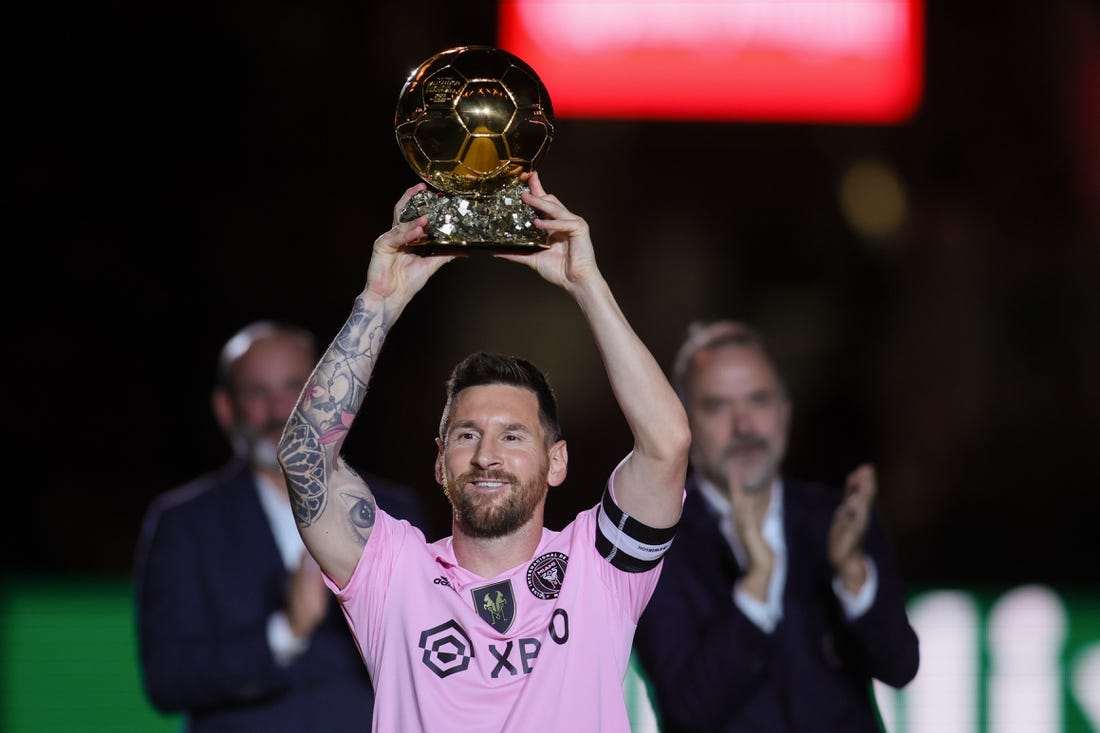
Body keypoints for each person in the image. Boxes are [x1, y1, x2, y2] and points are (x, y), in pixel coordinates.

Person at [275, 172, 692, 732]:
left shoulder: (599, 567)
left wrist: (587, 284)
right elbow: (304, 454)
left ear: (557, 461)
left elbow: (668, 445)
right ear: (440, 461)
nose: (486, 455)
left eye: (513, 436)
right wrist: (381, 300)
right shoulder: (394, 573)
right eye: (467, 435)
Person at [134, 320, 426, 732]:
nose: (279, 411)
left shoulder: (391, 510)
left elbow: (427, 653)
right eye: (258, 392)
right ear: (225, 408)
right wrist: (284, 633)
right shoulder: (183, 523)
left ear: (328, 395)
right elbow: (166, 678)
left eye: (296, 388)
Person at [632, 319, 920, 732]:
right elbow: (688, 712)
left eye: (759, 400)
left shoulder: (837, 521)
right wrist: (756, 585)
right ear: (684, 423)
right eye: (717, 406)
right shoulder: (655, 544)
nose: (744, 426)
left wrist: (852, 572)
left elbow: (900, 666)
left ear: (786, 412)